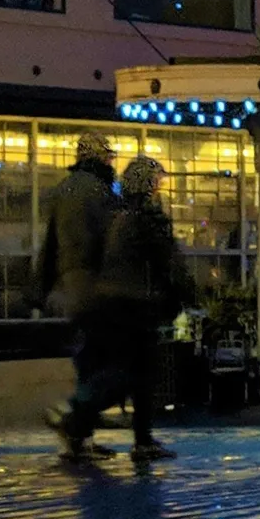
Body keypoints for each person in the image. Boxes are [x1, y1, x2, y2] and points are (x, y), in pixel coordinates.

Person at [63, 156, 193, 460]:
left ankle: (85, 428)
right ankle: (86, 424)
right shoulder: (148, 217)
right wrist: (181, 295)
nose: (160, 186)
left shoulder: (113, 215)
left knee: (124, 373)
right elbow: (167, 262)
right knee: (137, 374)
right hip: (137, 306)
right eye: (157, 181)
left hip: (107, 305)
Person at [36, 130, 119, 459]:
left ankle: (80, 437)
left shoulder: (63, 191)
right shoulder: (99, 192)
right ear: (98, 157)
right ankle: (71, 417)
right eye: (109, 156)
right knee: (108, 361)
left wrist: (40, 287)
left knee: (88, 357)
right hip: (96, 285)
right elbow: (109, 239)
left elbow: (50, 245)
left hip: (70, 285)